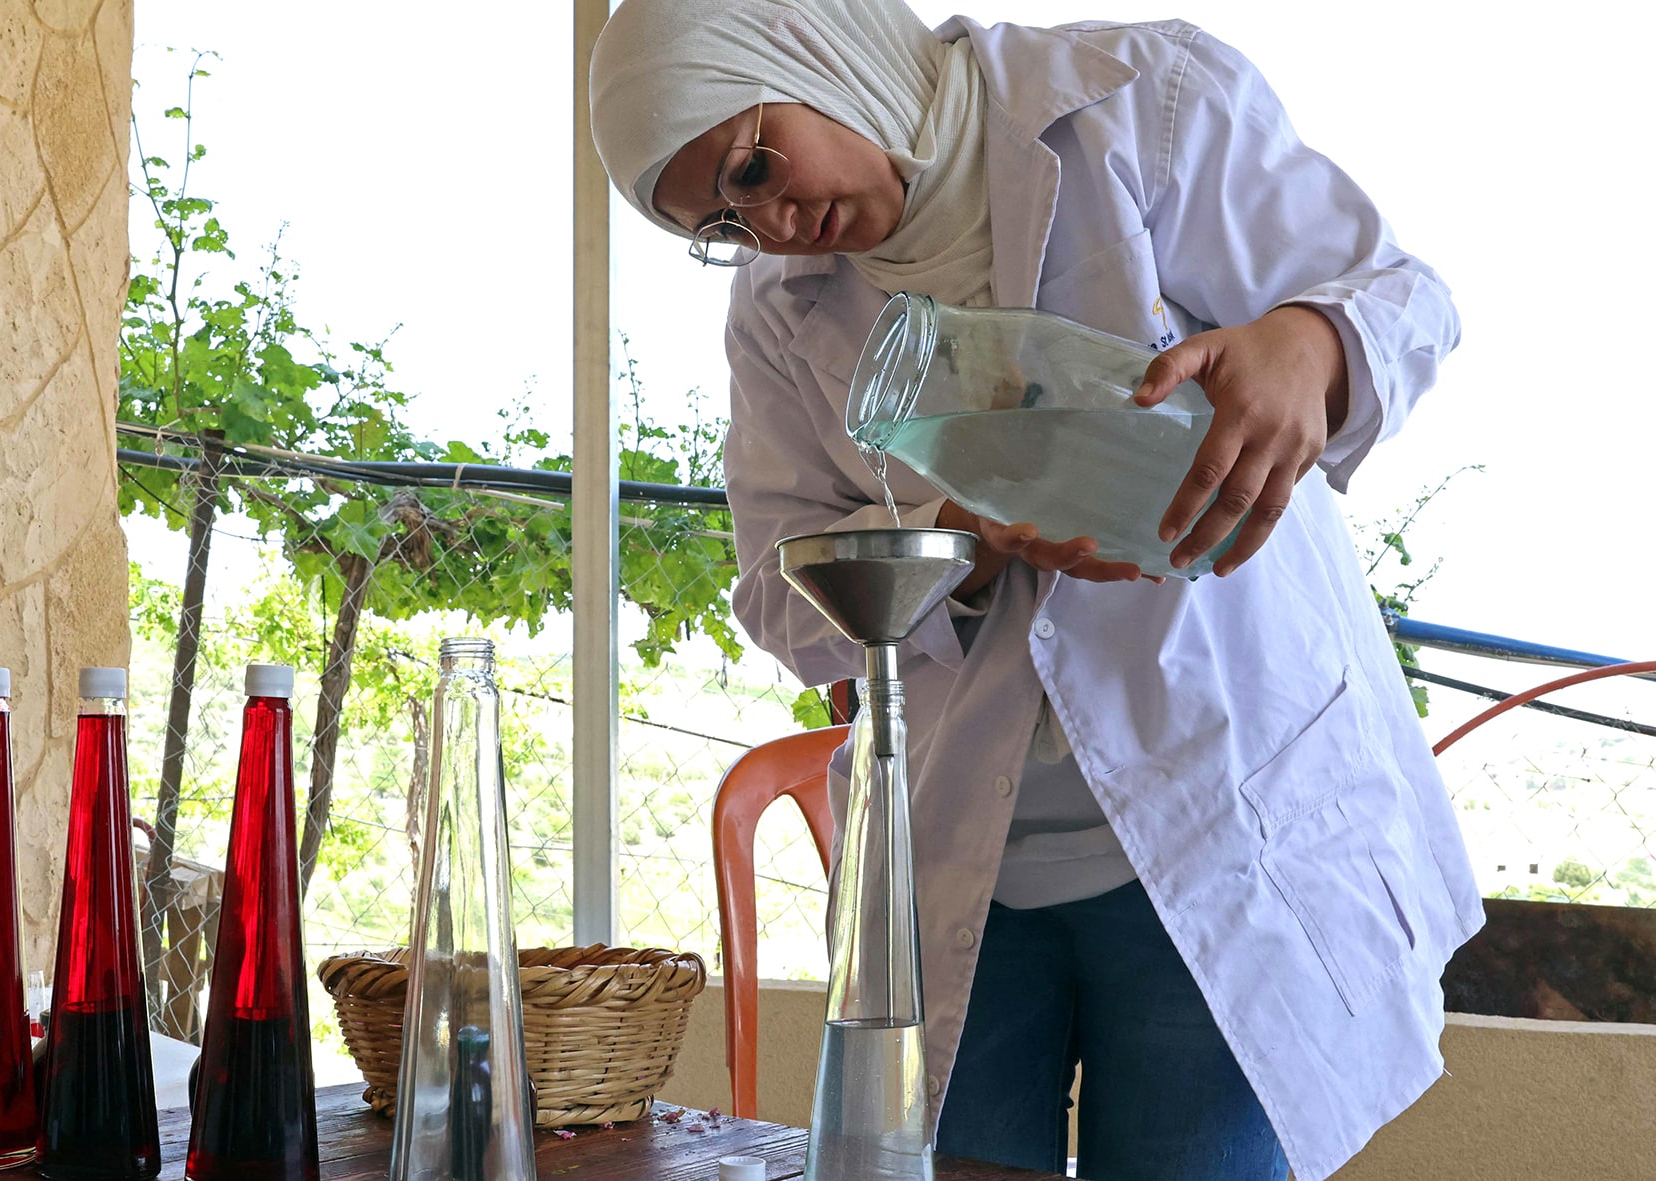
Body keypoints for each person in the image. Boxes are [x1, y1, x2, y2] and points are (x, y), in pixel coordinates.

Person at [589, 3, 1485, 1180]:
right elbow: (775, 587)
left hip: (1212, 833)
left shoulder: (1132, 103)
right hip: (957, 855)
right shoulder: (779, 308)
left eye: (752, 166)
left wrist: (1308, 344)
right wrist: (954, 539)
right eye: (719, 219)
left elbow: (1404, 297)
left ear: (808, 46)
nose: (766, 223)